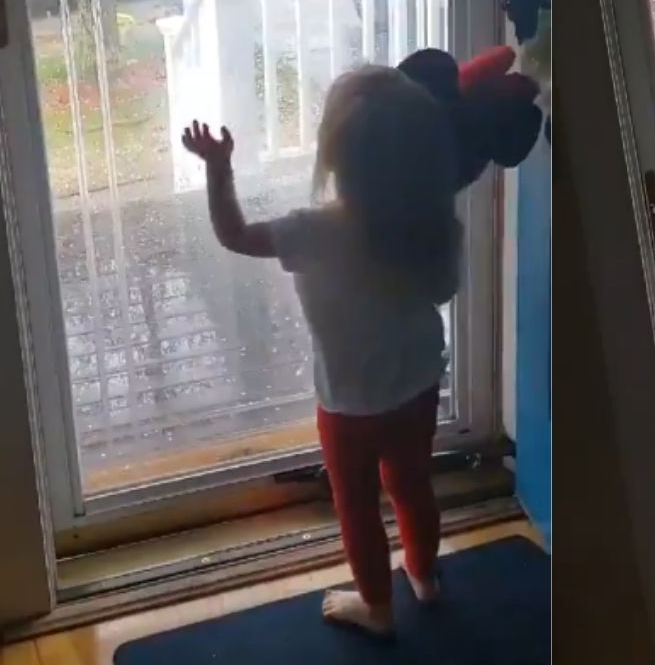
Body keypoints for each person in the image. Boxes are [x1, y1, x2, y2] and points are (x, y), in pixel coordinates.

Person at [182, 64, 461, 636]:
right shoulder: (434, 223)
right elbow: (443, 290)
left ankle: (377, 609)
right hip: (417, 381)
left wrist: (218, 168)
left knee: (356, 504)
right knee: (412, 483)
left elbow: (233, 234)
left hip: (349, 401)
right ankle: (424, 577)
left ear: (334, 157)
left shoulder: (311, 231)